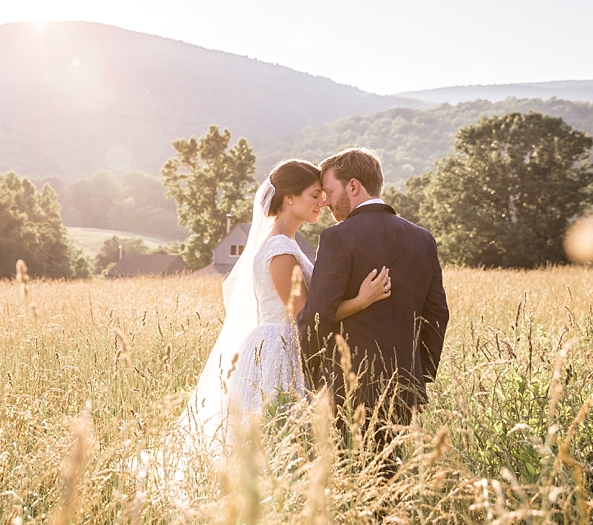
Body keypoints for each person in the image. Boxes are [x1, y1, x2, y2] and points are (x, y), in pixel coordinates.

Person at [180, 159, 391, 451]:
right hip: (279, 350)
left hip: (289, 343)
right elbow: (303, 314)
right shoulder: (279, 249)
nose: (323, 202)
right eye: (314, 195)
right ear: (289, 198)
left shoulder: (287, 243)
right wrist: (361, 301)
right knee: (279, 437)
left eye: (323, 194)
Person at [297, 147, 448, 476]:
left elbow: (317, 315)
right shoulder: (423, 238)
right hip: (403, 385)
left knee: (349, 476)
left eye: (330, 192)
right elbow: (437, 315)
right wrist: (419, 380)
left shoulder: (338, 237)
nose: (325, 202)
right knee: (387, 476)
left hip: (347, 384)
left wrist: (310, 376)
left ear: (353, 187)